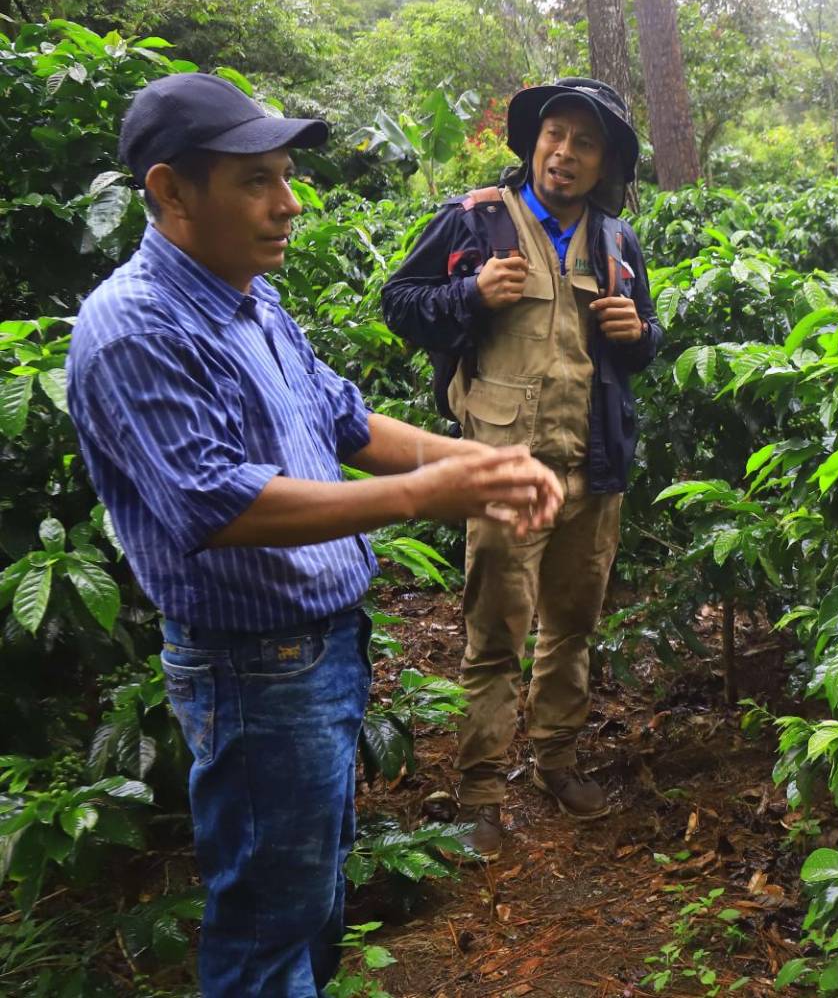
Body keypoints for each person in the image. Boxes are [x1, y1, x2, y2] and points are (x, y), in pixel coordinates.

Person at [66, 73, 564, 998]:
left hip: (320, 653)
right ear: (171, 192)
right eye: (256, 181)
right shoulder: (135, 325)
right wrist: (424, 495)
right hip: (254, 668)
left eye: (286, 175)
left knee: (307, 908)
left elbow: (347, 420)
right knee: (266, 930)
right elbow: (217, 505)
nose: (288, 204)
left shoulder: (251, 299)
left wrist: (475, 461)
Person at [383, 77, 662, 861]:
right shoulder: (475, 220)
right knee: (495, 633)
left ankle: (558, 762)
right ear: (533, 143)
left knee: (571, 627)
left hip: (592, 467)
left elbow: (645, 347)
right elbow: (398, 302)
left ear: (603, 163)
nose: (563, 154)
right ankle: (480, 793)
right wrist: (470, 292)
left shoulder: (615, 241)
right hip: (506, 471)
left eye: (584, 143)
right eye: (554, 136)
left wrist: (634, 331)